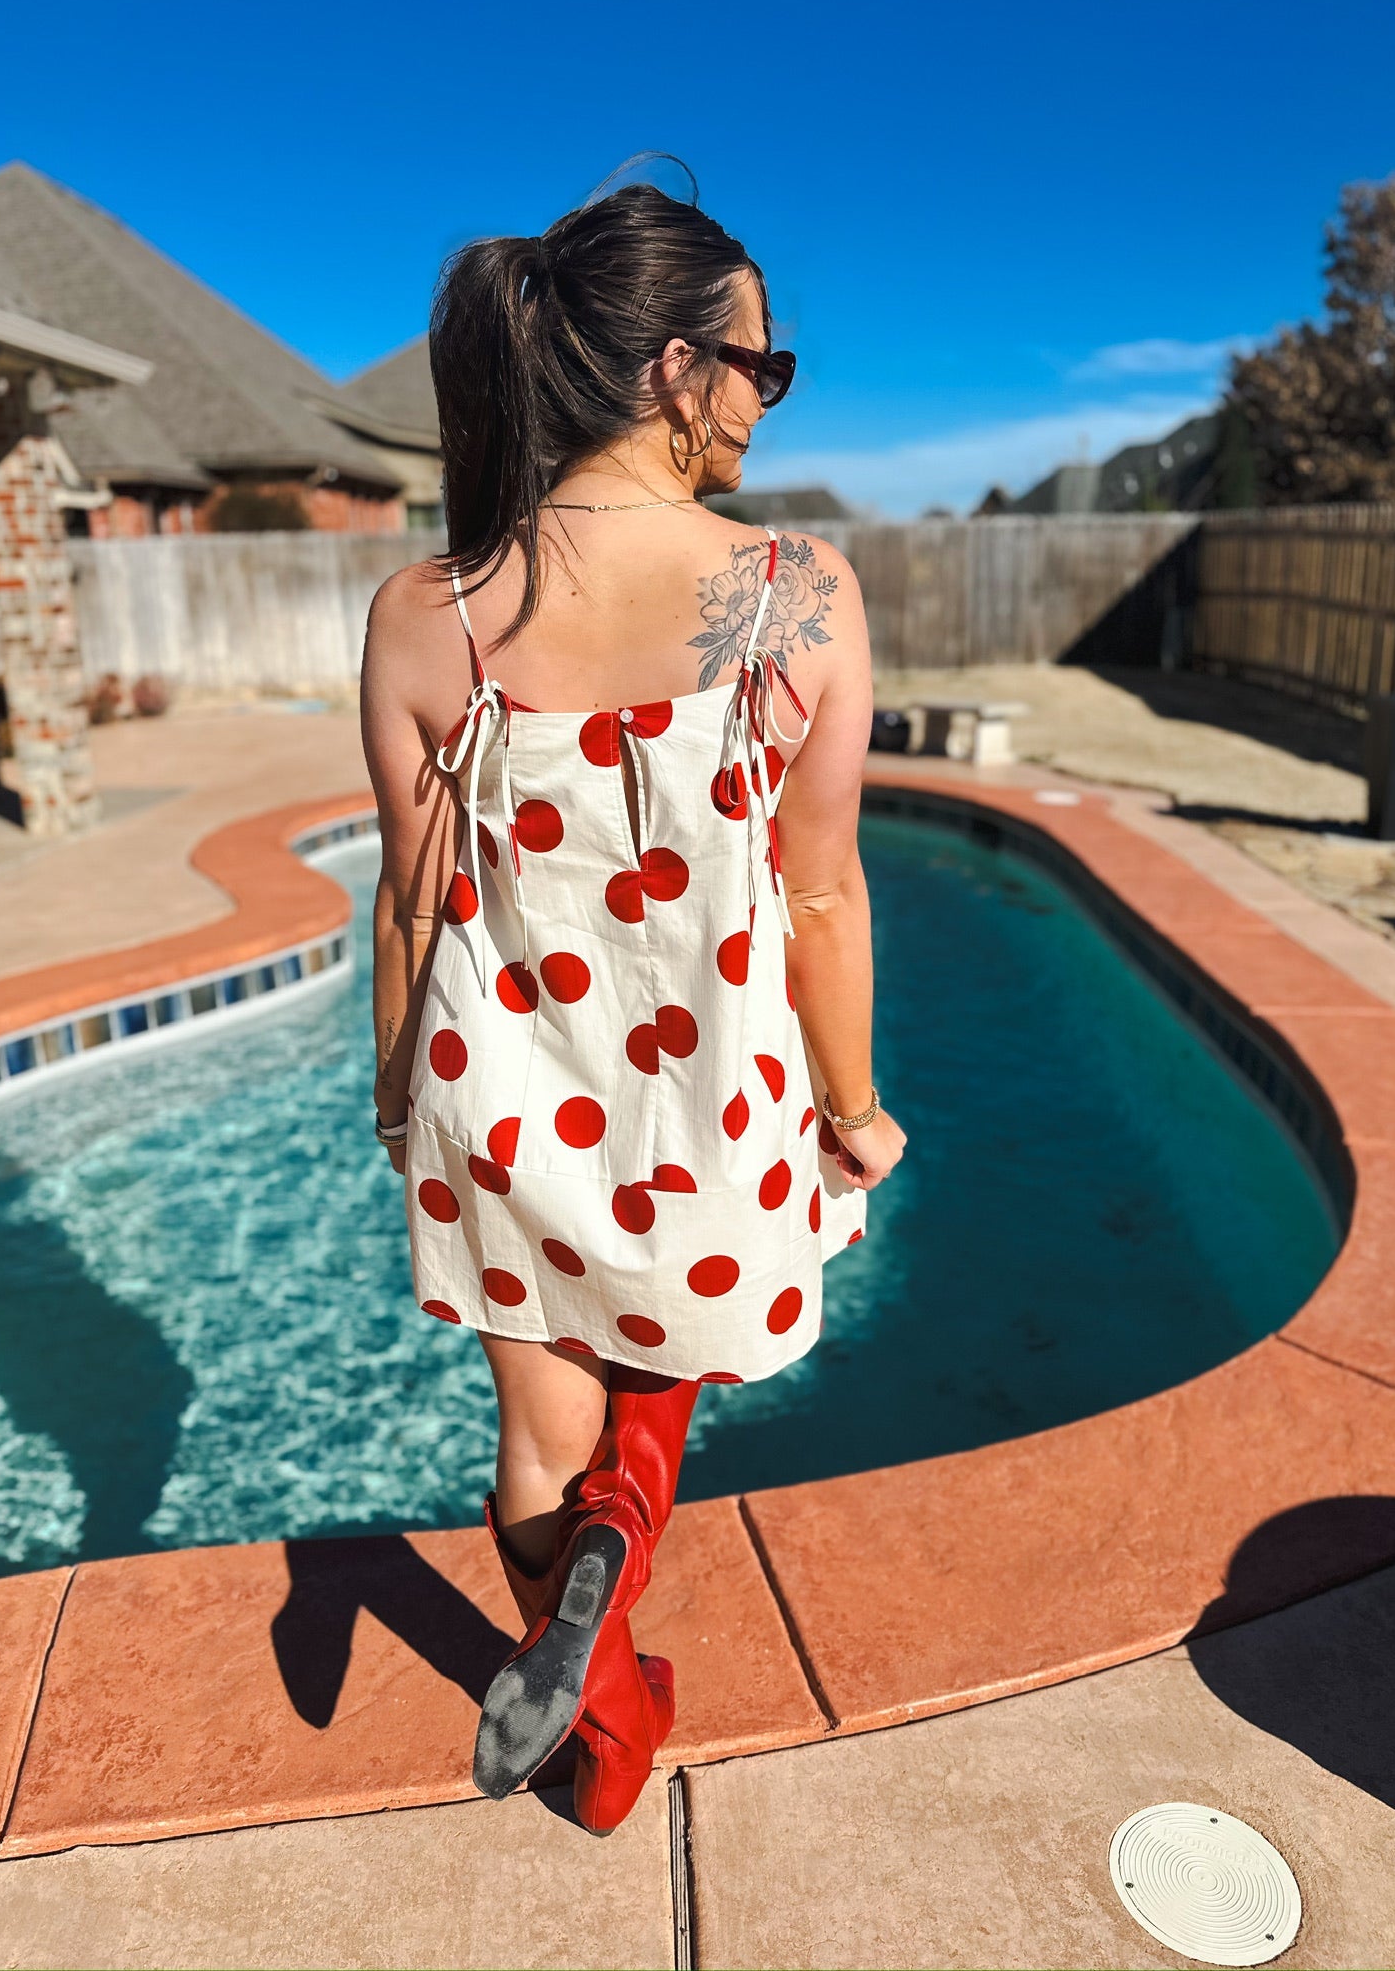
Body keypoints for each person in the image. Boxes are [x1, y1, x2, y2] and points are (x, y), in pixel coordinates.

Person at [360, 176, 905, 1834]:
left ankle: (596, 1747)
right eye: (762, 365)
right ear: (678, 371)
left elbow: (408, 895)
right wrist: (855, 1108)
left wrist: (399, 1111)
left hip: (499, 1095)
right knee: (668, 1338)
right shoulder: (786, 593)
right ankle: (625, 1531)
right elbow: (819, 892)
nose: (763, 396)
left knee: (540, 1419)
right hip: (702, 1105)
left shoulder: (428, 612)